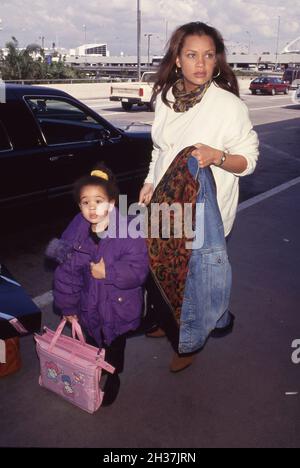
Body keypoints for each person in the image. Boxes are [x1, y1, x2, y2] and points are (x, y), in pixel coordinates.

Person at [139, 21, 259, 372]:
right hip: (164, 203)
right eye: (192, 55)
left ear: (217, 61)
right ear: (177, 59)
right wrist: (149, 181)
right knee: (161, 269)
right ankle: (165, 319)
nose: (201, 64)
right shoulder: (165, 99)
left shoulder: (227, 105)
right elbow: (159, 151)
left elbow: (248, 160)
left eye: (208, 55)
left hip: (204, 211)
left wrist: (216, 156)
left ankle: (188, 342)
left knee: (193, 279)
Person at [48, 163, 149, 405]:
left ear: (112, 203)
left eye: (99, 200)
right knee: (92, 345)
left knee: (114, 348)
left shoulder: (129, 231)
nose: (92, 208)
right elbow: (65, 274)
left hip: (118, 308)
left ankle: (113, 377)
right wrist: (68, 308)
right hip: (87, 307)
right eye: (85, 202)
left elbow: (139, 271)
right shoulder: (75, 232)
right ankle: (95, 372)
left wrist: (109, 272)